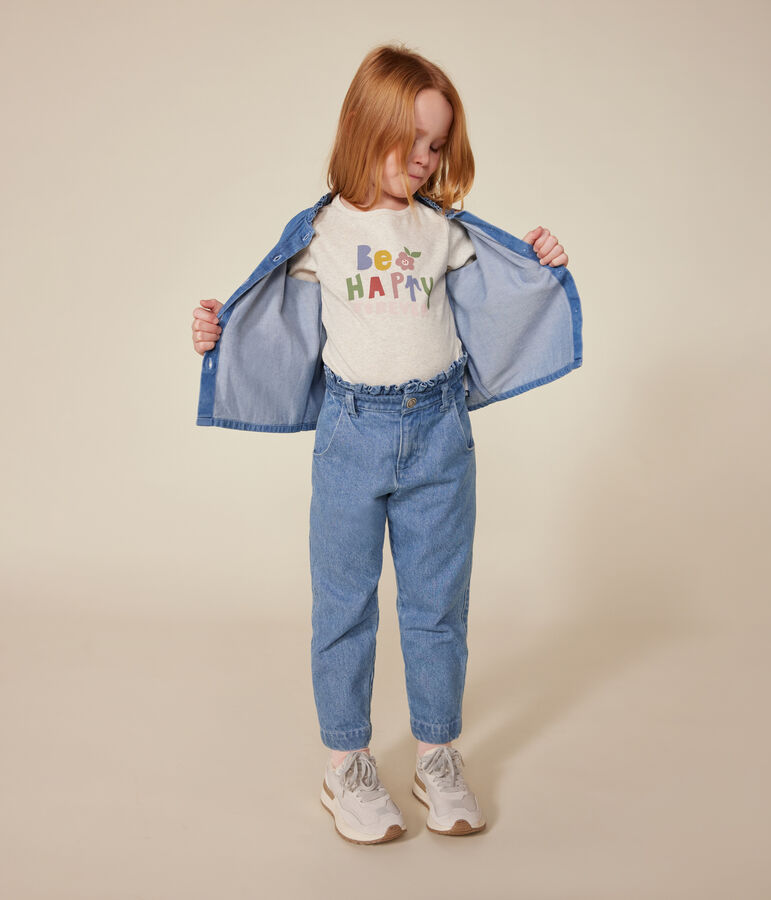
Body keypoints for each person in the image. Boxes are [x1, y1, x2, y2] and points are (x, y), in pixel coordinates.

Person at [190, 43, 580, 845]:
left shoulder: (439, 231)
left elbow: (507, 291)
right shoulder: (322, 233)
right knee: (344, 607)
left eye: (437, 144)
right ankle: (347, 767)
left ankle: (437, 755)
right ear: (365, 127)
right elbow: (268, 325)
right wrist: (212, 335)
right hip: (352, 435)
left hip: (439, 433)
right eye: (411, 140)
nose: (424, 158)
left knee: (436, 608)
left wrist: (543, 263)